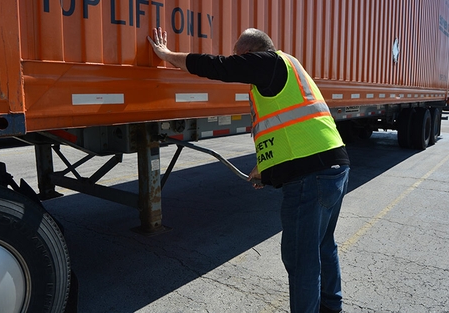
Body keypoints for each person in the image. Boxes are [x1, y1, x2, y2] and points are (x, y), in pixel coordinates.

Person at [148, 27, 350, 313]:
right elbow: (288, 133)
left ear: (250, 54)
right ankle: (332, 307)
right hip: (332, 167)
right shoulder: (285, 72)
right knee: (322, 246)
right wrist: (264, 169)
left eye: (239, 58)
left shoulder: (269, 63)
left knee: (301, 258)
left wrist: (168, 56)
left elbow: (217, 67)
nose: (239, 67)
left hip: (312, 177)